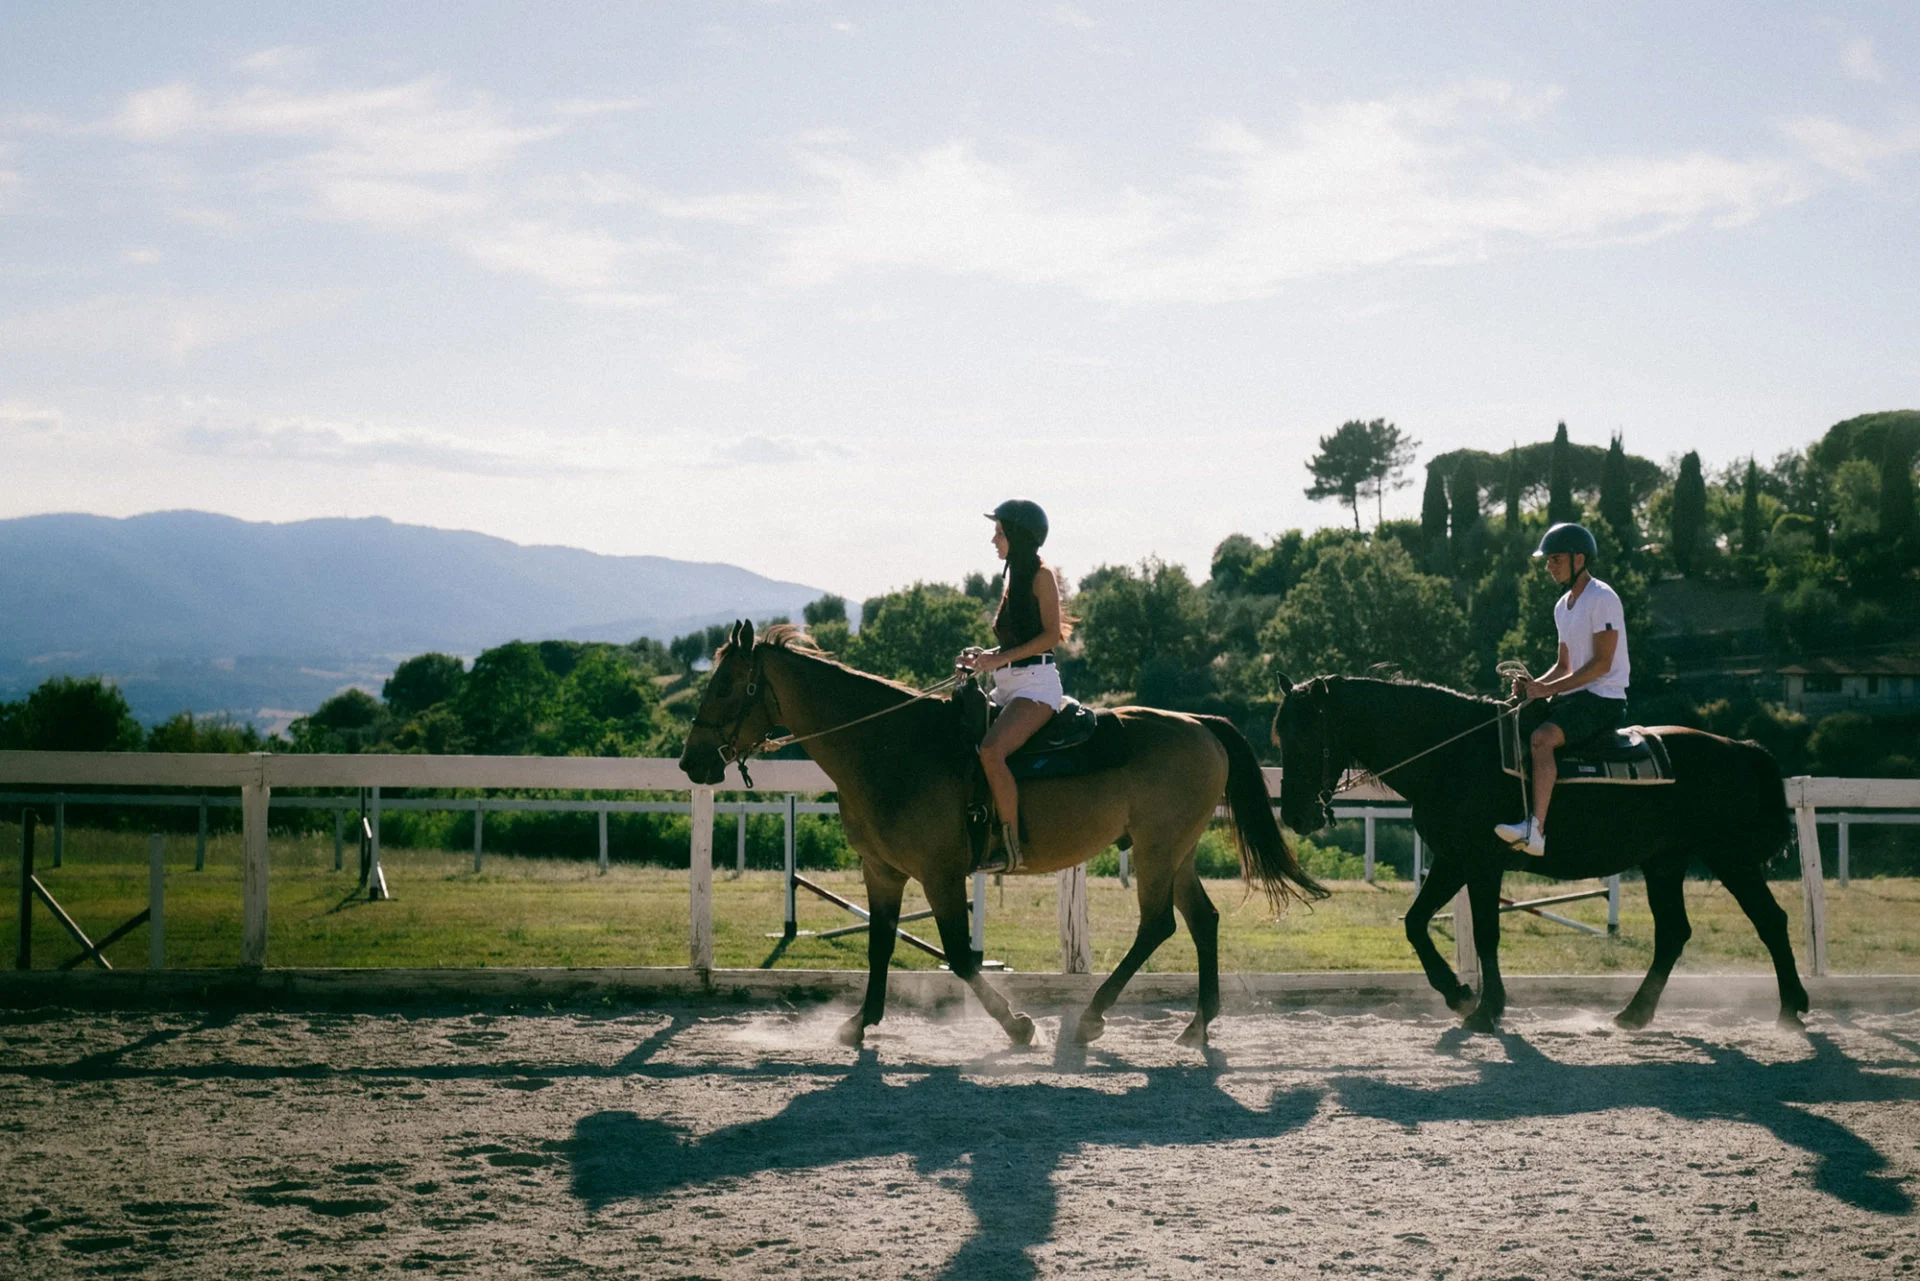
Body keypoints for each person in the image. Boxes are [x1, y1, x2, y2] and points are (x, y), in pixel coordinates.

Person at [1494, 522, 1632, 857]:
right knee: (1509, 724)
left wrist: (1548, 690)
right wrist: (1533, 687)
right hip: (1575, 697)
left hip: (1604, 700)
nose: (1549, 565)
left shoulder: (1603, 598)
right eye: (1548, 559)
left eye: (1555, 558)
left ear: (1579, 558)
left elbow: (1601, 665)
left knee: (1542, 739)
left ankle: (1536, 830)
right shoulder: (1562, 606)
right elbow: (1563, 665)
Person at [956, 499, 1069, 871]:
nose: (993, 539)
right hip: (1007, 685)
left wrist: (998, 659)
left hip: (1036, 688)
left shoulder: (1041, 576)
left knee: (990, 751)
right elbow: (1013, 644)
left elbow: (1051, 636)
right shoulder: (1014, 578)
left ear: (1018, 537)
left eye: (1000, 532)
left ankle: (1012, 845)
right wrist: (982, 657)